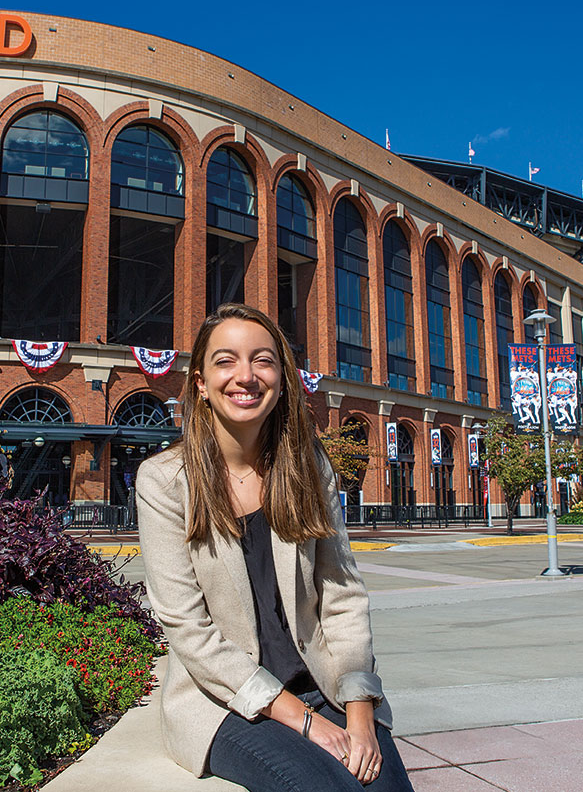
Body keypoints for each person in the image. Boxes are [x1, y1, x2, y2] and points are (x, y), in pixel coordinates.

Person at [136, 303, 414, 791]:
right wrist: (306, 724)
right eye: (225, 361)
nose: (245, 376)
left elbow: (341, 594)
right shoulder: (164, 481)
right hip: (227, 701)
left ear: (282, 379)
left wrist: (361, 714)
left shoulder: (308, 468)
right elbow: (187, 626)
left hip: (322, 681)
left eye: (262, 360)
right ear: (200, 383)